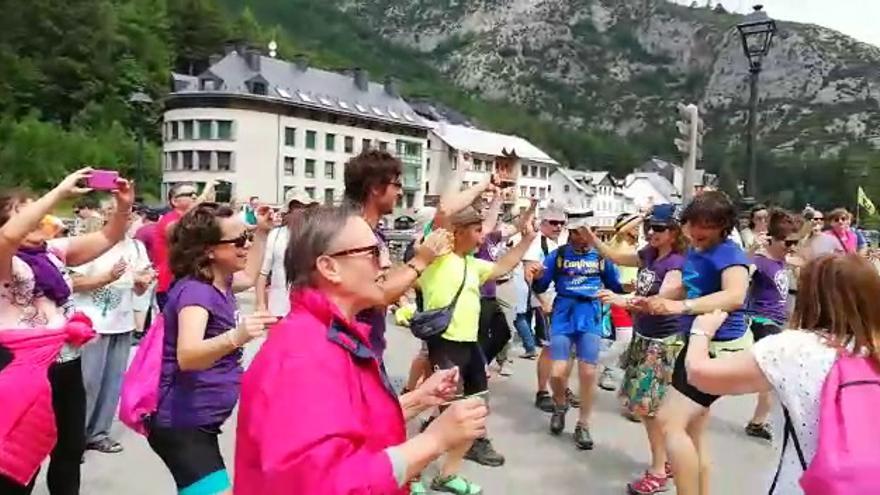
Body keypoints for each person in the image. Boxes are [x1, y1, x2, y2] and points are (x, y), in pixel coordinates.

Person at [235, 206, 488, 494]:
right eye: (372, 253)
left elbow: (350, 424)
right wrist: (434, 441)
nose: (384, 264)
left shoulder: (331, 334)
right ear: (329, 267)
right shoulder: (306, 357)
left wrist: (420, 398)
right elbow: (327, 484)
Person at [683, 254, 880, 495]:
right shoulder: (873, 349)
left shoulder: (793, 349)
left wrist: (701, 332)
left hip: (803, 485)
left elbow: (700, 375)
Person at [0, 167, 135, 495]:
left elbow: (107, 237)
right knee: (20, 457)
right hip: (22, 368)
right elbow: (7, 237)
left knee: (70, 448)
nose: (40, 215)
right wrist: (59, 191)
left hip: (66, 362)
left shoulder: (51, 252)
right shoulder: (6, 256)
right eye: (26, 210)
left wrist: (123, 206)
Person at [147, 202, 278, 495]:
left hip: (198, 422)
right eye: (238, 241)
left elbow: (251, 272)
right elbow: (189, 355)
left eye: (246, 238)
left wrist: (261, 233)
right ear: (209, 250)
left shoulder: (221, 281)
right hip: (182, 424)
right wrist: (237, 336)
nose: (244, 246)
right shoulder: (196, 292)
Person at [417, 204, 537, 493]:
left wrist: (527, 239)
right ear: (457, 233)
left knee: (476, 414)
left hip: (470, 347)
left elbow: (502, 266)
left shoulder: (473, 264)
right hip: (445, 345)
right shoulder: (437, 259)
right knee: (449, 418)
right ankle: (412, 474)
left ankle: (447, 475)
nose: (482, 237)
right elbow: (444, 210)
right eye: (477, 230)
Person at [641, 191, 751, 495]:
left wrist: (682, 308)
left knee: (669, 423)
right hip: (694, 343)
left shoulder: (728, 254)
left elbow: (735, 295)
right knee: (693, 432)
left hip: (717, 348)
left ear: (724, 226)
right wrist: (656, 301)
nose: (698, 232)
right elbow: (689, 288)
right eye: (693, 224)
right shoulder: (696, 250)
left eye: (708, 226)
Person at [590, 204, 687, 494]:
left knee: (651, 410)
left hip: (662, 343)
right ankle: (665, 461)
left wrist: (623, 300)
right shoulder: (649, 254)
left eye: (659, 227)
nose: (651, 232)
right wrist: (591, 235)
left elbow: (660, 300)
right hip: (645, 336)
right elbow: (617, 255)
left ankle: (658, 471)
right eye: (649, 226)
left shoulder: (678, 264)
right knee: (649, 409)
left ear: (674, 231)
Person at [532, 209, 625, 450]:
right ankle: (560, 404)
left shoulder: (600, 257)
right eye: (573, 232)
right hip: (564, 313)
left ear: (590, 232)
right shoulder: (559, 255)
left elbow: (615, 285)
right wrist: (536, 276)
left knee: (587, 372)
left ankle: (583, 424)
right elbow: (541, 284)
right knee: (557, 372)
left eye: (582, 232)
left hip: (590, 315)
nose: (577, 237)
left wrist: (621, 293)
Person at [70, 200, 153, 454]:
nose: (127, 219)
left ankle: (98, 433)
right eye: (120, 214)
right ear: (107, 215)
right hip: (91, 323)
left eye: (130, 214)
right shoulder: (91, 244)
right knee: (87, 383)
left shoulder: (136, 246)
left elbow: (141, 281)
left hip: (123, 321)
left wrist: (143, 282)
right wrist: (106, 278)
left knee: (112, 382)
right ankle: (74, 440)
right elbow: (72, 280)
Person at [343, 149, 443, 359]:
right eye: (396, 185)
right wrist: (422, 261)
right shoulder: (354, 233)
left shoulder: (371, 232)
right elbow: (377, 295)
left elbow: (385, 281)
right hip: (355, 347)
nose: (400, 192)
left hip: (367, 344)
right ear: (375, 188)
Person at [743, 209, 800, 441]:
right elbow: (740, 272)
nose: (791, 247)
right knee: (771, 375)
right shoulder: (760, 261)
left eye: (795, 243)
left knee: (769, 377)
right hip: (761, 321)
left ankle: (758, 422)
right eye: (787, 242)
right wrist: (750, 251)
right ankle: (757, 422)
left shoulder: (783, 260)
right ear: (773, 240)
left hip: (776, 321)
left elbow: (812, 262)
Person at [514, 206, 569, 412]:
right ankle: (542, 391)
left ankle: (561, 386)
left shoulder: (564, 241)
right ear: (543, 222)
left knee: (565, 347)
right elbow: (530, 274)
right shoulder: (536, 243)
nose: (558, 227)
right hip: (547, 299)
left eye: (561, 223)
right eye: (553, 223)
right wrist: (542, 301)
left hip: (564, 300)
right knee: (549, 347)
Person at [153, 181, 214, 311]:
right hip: (169, 283)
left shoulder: (190, 221)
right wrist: (202, 198)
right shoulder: (169, 220)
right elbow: (177, 229)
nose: (194, 197)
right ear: (175, 201)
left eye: (195, 194)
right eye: (189, 194)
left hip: (185, 281)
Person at [255, 193, 318, 318]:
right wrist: (261, 305)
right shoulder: (276, 235)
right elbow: (263, 273)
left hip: (308, 311)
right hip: (278, 308)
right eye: (296, 207)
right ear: (288, 211)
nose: (299, 212)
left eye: (303, 207)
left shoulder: (314, 235)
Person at [598, 212, 641, 391]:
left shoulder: (637, 246)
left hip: (634, 298)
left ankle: (616, 371)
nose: (638, 229)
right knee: (624, 339)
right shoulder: (617, 242)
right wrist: (643, 214)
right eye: (635, 226)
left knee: (630, 341)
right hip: (617, 297)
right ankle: (603, 368)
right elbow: (622, 229)